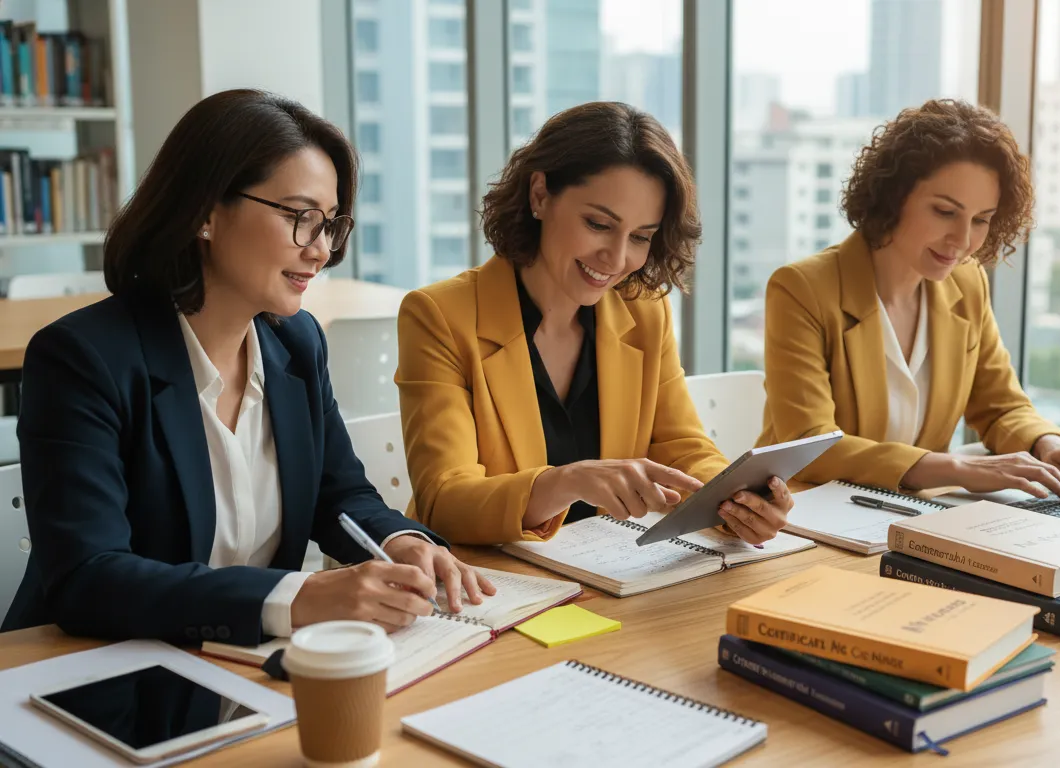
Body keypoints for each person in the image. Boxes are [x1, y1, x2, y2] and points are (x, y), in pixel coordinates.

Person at [2, 89, 493, 645]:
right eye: (301, 217)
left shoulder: (296, 343)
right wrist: (294, 597)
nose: (321, 250)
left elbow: (341, 495)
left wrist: (404, 542)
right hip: (106, 678)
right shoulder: (82, 359)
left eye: (331, 224)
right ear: (206, 213)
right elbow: (89, 578)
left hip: (242, 665)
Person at [397, 101, 793, 545]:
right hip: (490, 582)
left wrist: (736, 500)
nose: (618, 258)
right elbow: (444, 501)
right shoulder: (440, 316)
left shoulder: (644, 311)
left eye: (641, 237)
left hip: (603, 578)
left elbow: (680, 445)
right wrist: (568, 481)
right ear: (540, 195)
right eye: (599, 224)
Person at [756, 99, 1060, 499]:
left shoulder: (967, 284)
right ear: (894, 195)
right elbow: (810, 446)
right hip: (812, 517)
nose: (963, 241)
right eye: (945, 212)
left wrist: (1047, 443)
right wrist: (957, 468)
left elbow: (1001, 406)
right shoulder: (804, 289)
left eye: (981, 220)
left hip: (917, 520)